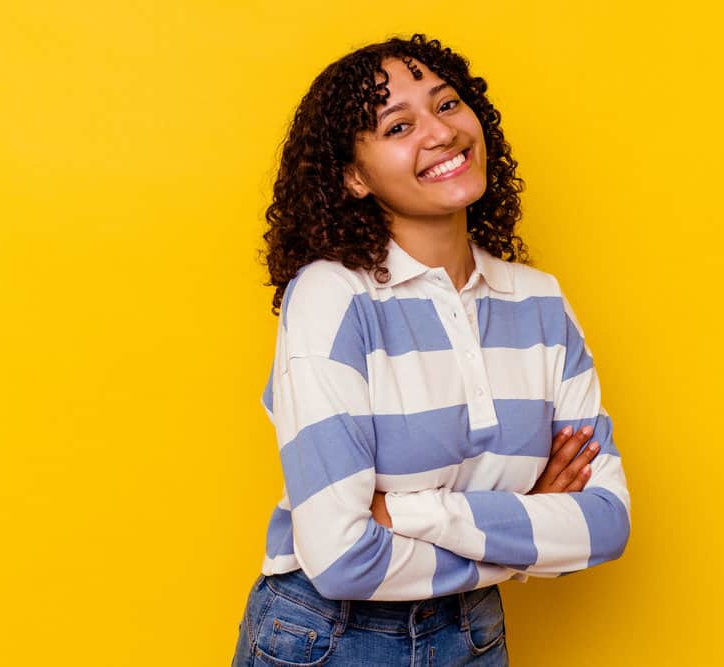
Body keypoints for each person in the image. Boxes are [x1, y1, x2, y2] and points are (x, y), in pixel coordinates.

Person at [232, 33, 631, 666]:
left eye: (447, 105)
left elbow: (605, 525)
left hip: (473, 635)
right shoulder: (332, 297)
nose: (441, 133)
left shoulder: (540, 302)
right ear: (354, 176)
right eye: (398, 125)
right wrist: (525, 522)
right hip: (327, 639)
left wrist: (407, 512)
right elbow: (338, 559)